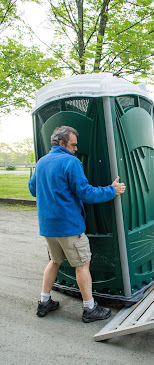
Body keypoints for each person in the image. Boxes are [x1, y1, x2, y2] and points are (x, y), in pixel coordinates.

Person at [28, 125, 126, 323]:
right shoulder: (70, 162)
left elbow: (33, 189)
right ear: (62, 143)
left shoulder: (42, 162)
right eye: (73, 145)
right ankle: (90, 308)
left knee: (55, 261)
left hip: (48, 227)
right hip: (69, 227)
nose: (75, 149)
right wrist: (111, 190)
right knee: (82, 265)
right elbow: (85, 193)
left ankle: (44, 301)